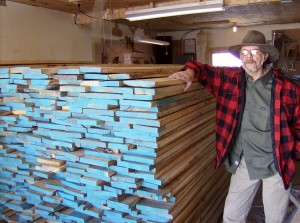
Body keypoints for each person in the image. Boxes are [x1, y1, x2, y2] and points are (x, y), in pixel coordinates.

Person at [169, 30, 300, 223]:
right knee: (231, 216)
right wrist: (189, 72)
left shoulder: (287, 88)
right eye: (244, 52)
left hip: (275, 165)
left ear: (264, 56)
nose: (248, 57)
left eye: (254, 52)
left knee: (275, 219)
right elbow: (203, 69)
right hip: (245, 163)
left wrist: (291, 152)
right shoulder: (230, 79)